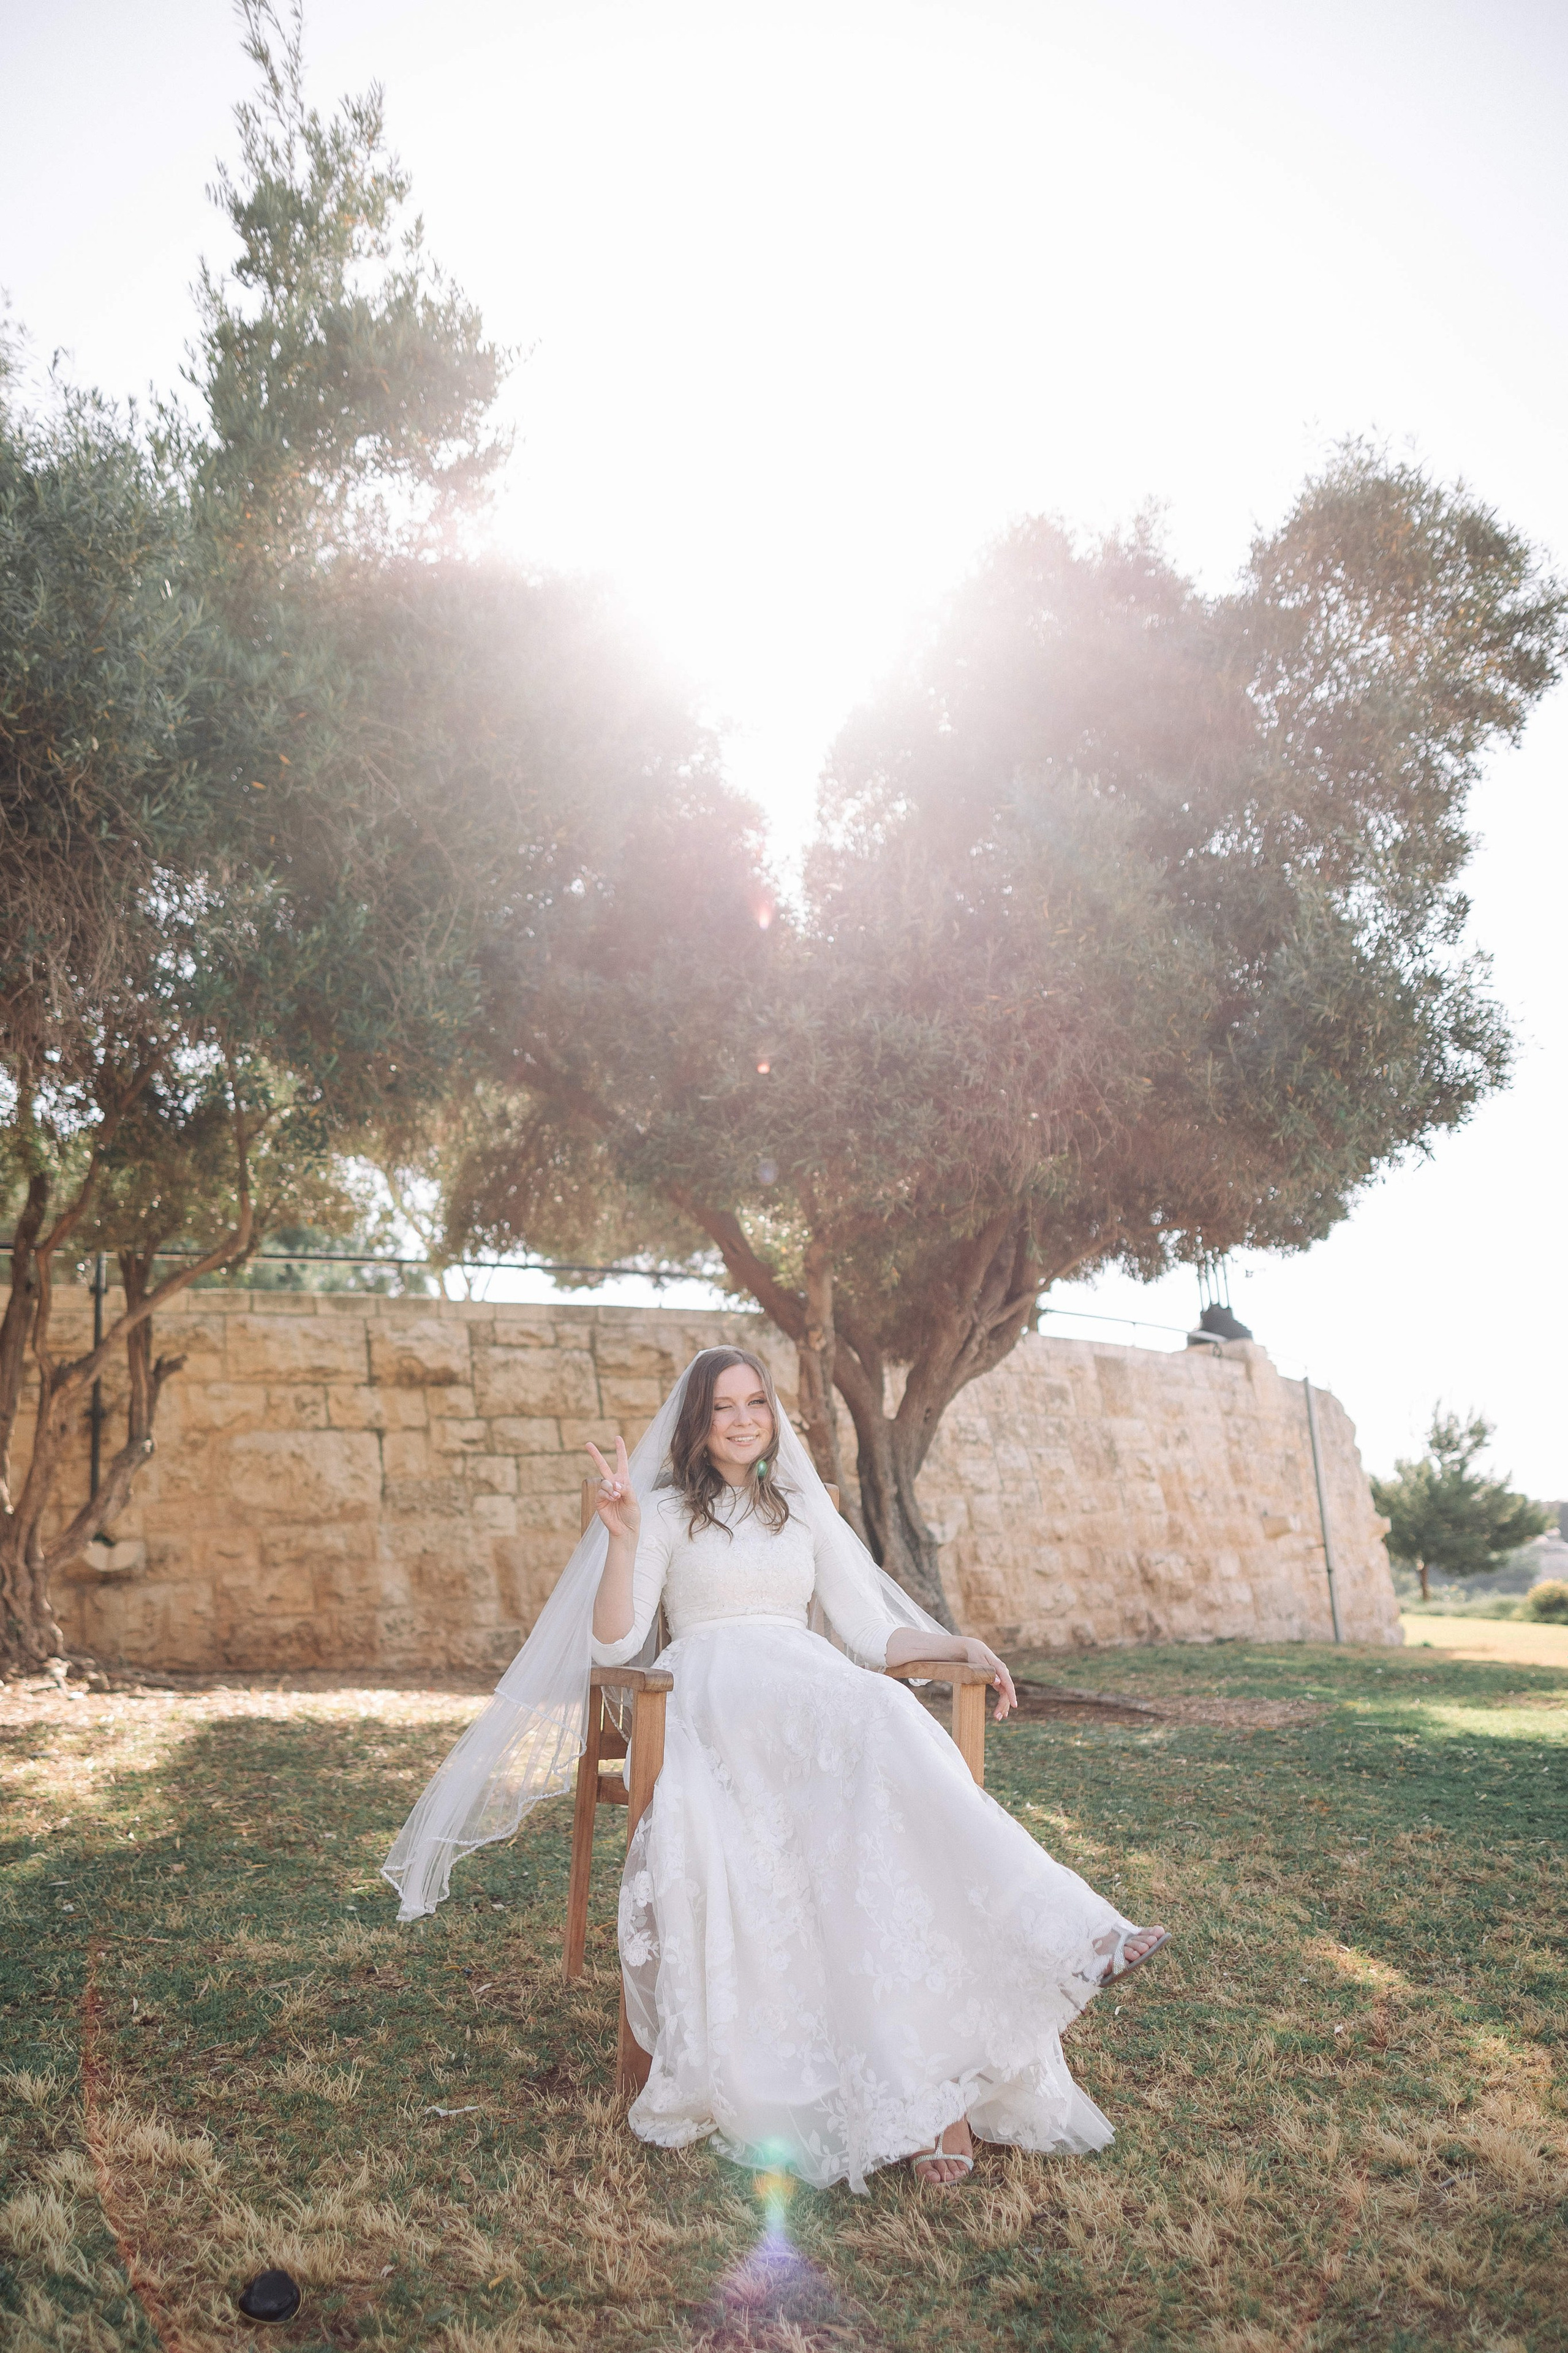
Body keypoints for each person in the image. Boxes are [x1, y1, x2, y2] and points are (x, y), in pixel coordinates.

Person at [385, 1344, 1167, 2194]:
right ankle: (942, 2078)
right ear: (699, 1420)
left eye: (756, 1400)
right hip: (715, 1696)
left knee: (888, 1745)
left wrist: (954, 1643)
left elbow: (870, 1634)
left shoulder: (803, 1509)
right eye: (724, 1406)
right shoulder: (659, 1510)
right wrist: (619, 1540)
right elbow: (614, 1645)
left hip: (812, 1689)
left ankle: (1055, 1956)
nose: (744, 1418)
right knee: (876, 1727)